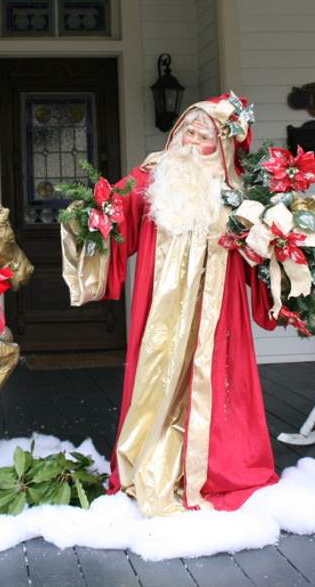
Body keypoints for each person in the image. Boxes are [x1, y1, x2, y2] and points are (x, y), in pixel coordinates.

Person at [61, 94, 279, 516]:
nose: (190, 141)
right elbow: (115, 213)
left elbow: (259, 257)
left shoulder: (237, 193)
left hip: (215, 311)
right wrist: (89, 217)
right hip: (161, 310)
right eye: (187, 132)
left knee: (217, 381)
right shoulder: (151, 175)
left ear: (223, 146)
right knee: (157, 377)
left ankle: (212, 469)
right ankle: (153, 458)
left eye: (203, 136)